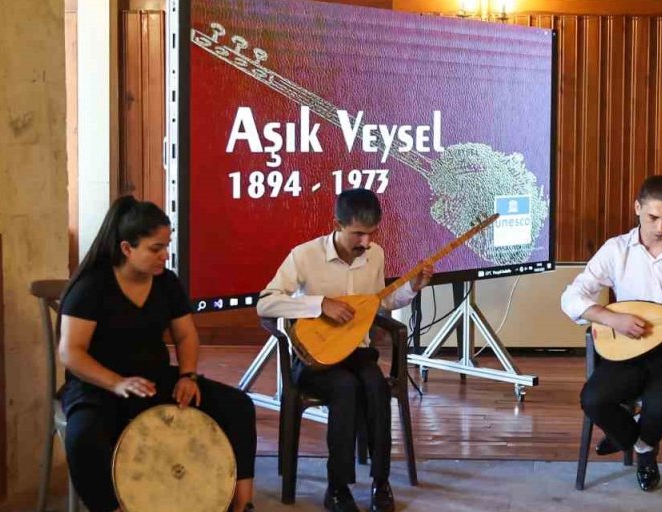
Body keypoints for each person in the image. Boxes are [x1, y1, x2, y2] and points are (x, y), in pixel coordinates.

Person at [58, 196, 257, 512]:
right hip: (98, 386)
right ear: (127, 248)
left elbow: (186, 334)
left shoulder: (166, 282)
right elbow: (71, 353)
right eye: (155, 248)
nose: (165, 255)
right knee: (83, 438)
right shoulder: (92, 287)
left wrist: (188, 375)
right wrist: (117, 383)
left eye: (166, 246)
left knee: (238, 406)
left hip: (152, 380)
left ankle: (242, 505)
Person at [258, 188, 432, 512]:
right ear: (336, 224)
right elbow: (265, 303)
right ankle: (337, 488)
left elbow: (378, 303)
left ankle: (381, 482)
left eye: (371, 233)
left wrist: (412, 288)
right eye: (358, 234)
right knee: (345, 388)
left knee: (377, 388)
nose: (366, 242)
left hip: (357, 353)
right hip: (315, 360)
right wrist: (319, 304)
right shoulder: (304, 255)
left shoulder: (375, 255)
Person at [561, 174, 662, 492]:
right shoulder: (616, 250)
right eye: (653, 218)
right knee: (593, 399)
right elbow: (571, 297)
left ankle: (641, 448)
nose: (660, 227)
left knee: (661, 406)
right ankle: (640, 442)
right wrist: (612, 318)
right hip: (628, 347)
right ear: (637, 208)